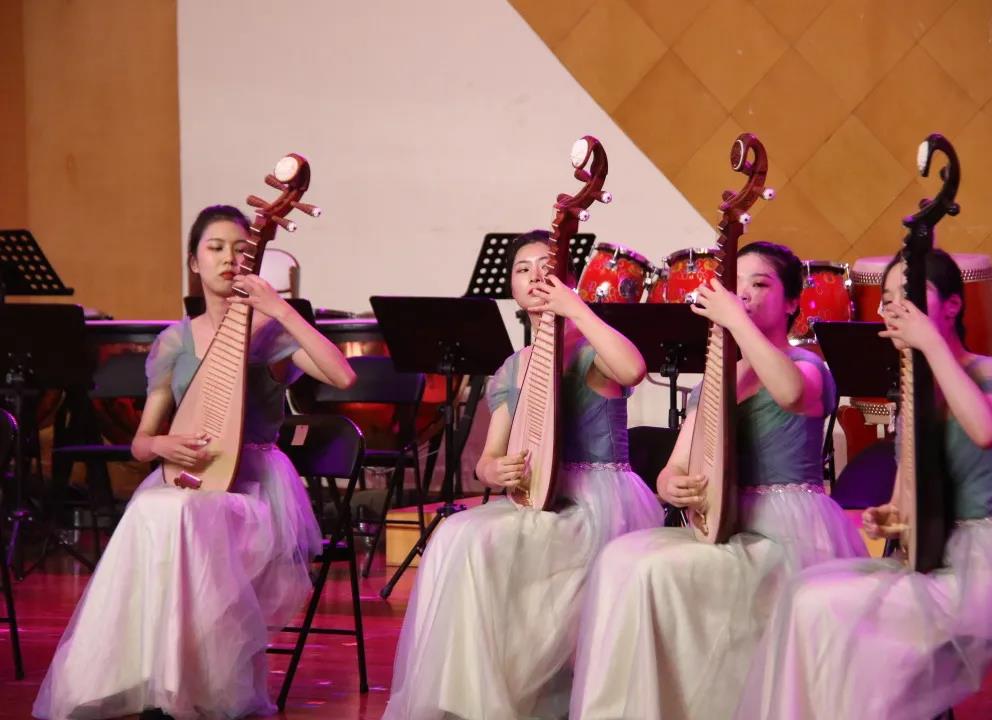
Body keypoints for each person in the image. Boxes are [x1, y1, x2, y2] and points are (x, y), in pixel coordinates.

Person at [34, 204, 356, 720]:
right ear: (194, 261)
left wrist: (280, 309)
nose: (228, 258)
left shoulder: (269, 334)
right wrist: (162, 446)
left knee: (176, 516)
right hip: (189, 483)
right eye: (215, 247)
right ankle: (145, 682)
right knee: (156, 511)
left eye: (239, 248)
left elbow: (343, 377)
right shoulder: (175, 341)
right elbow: (142, 443)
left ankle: (199, 689)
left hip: (253, 489)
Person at [734, 248, 992, 720]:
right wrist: (890, 515)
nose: (894, 308)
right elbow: (907, 498)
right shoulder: (914, 391)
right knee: (806, 598)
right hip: (932, 559)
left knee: (835, 615)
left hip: (989, 568)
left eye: (909, 296)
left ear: (953, 305)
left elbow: (986, 430)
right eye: (887, 299)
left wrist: (931, 347)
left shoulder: (987, 371)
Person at [570, 241, 867, 720]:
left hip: (785, 531)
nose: (743, 295)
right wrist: (671, 484)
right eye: (736, 286)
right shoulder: (715, 379)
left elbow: (790, 392)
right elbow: (674, 467)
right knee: (619, 561)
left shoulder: (808, 366)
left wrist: (735, 322)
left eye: (759, 284)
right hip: (722, 524)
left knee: (652, 571)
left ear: (792, 302)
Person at [384, 229, 664, 719]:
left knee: (491, 544)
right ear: (511, 287)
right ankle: (472, 698)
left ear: (567, 279)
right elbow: (488, 459)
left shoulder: (590, 346)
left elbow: (633, 368)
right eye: (522, 269)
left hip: (596, 500)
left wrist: (576, 308)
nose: (535, 277)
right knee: (454, 535)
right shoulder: (515, 366)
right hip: (536, 497)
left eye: (545, 267)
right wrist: (495, 467)